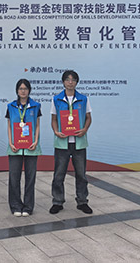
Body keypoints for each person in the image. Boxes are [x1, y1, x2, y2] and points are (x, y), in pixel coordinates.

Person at [50, 70, 93, 214]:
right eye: (67, 80)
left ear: (76, 82)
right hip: (62, 142)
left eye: (73, 80)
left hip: (79, 142)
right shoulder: (56, 99)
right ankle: (57, 202)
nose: (70, 82)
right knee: (59, 174)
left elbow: (88, 117)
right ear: (63, 82)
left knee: (81, 174)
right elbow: (54, 119)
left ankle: (82, 201)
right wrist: (56, 131)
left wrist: (84, 129)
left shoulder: (83, 99)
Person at [6, 79, 41, 216]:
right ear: (17, 91)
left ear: (29, 90)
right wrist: (10, 143)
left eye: (25, 88)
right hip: (15, 147)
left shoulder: (36, 106)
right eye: (20, 89)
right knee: (14, 177)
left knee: (30, 178)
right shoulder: (11, 106)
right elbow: (9, 126)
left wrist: (36, 141)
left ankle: (28, 206)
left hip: (31, 147)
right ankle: (15, 205)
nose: (23, 91)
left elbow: (37, 125)